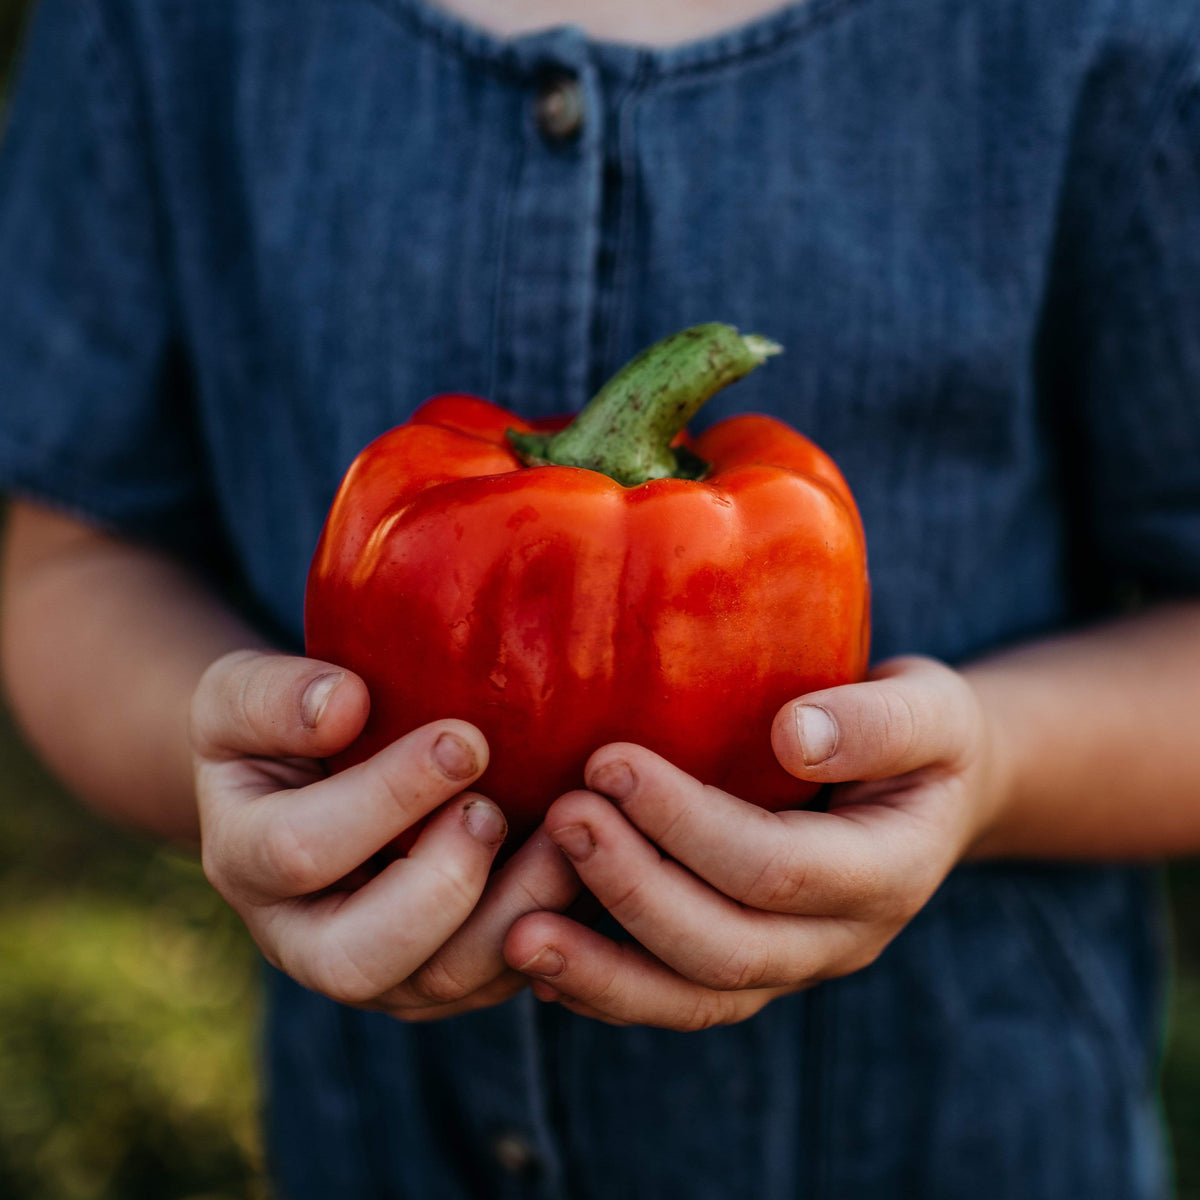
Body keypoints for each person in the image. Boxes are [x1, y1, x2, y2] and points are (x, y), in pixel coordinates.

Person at [1, 0, 1198, 1195]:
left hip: (972, 1132)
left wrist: (995, 764)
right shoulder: (166, 27)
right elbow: (74, 555)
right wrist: (239, 775)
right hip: (381, 1145)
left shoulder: (1114, 29)